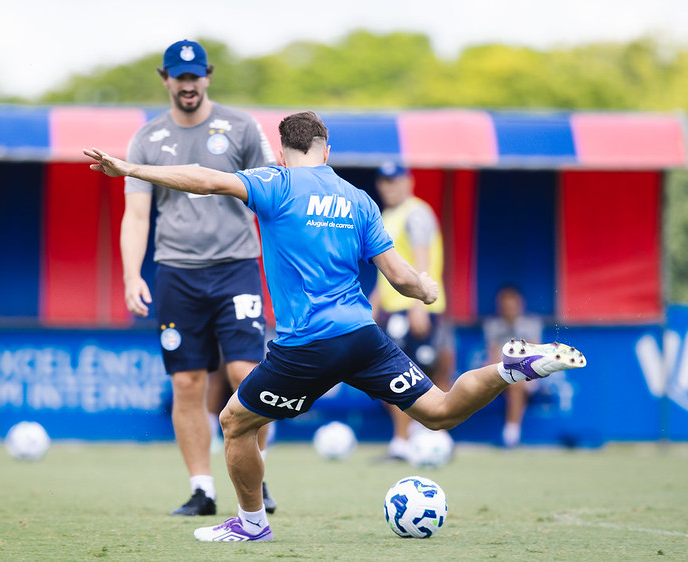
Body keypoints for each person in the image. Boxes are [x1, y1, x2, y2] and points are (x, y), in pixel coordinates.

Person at [84, 110, 587, 543]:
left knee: (236, 423)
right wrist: (428, 289)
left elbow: (205, 178)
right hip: (363, 337)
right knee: (438, 411)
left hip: (305, 346)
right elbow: (401, 279)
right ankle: (511, 369)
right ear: (326, 148)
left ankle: (252, 523)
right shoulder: (360, 200)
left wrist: (130, 168)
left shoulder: (274, 183)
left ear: (282, 151)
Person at [120, 39, 277, 516]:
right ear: (165, 79)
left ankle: (257, 474)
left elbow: (273, 194)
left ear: (207, 76)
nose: (187, 85)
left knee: (245, 375)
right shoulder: (146, 139)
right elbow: (137, 215)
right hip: (176, 274)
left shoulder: (242, 127)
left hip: (236, 268)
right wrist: (132, 274)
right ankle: (203, 489)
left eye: (195, 76)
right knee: (187, 382)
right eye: (178, 76)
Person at [370, 161, 455, 462]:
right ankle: (406, 440)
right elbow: (389, 269)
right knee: (393, 378)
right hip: (394, 312)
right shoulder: (386, 216)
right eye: (384, 181)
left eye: (395, 180)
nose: (388, 187)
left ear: (409, 182)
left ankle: (429, 438)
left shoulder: (416, 212)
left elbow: (422, 258)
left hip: (415, 309)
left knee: (421, 376)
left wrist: (420, 304)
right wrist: (374, 304)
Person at [483, 286, 544, 448]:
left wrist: (518, 372)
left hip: (528, 375)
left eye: (512, 305)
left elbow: (534, 354)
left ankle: (511, 436)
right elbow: (493, 355)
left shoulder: (532, 323)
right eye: (505, 306)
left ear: (520, 305)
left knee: (517, 384)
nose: (508, 310)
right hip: (500, 371)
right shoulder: (492, 325)